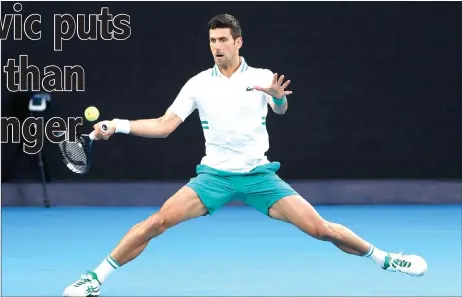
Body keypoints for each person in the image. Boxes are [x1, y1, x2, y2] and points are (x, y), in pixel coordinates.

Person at [63, 13, 427, 297]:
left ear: (238, 42)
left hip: (259, 177)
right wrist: (120, 125)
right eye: (211, 41)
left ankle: (385, 259)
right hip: (214, 177)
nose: (216, 46)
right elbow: (164, 125)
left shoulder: (263, 77)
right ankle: (94, 278)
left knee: (320, 229)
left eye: (222, 40)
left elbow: (281, 110)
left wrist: (278, 96)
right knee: (157, 222)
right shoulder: (198, 84)